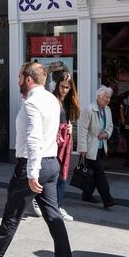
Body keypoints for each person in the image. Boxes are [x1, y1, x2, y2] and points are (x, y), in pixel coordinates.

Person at [0, 62, 74, 257]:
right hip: (51, 164)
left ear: (29, 79)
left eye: (19, 76)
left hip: (33, 165)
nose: (17, 80)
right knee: (54, 218)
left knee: (12, 215)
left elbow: (34, 139)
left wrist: (32, 173)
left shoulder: (32, 104)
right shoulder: (51, 100)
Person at [77, 86, 117, 208]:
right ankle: (107, 199)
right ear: (98, 96)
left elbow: (110, 126)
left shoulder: (108, 110)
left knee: (93, 174)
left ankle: (86, 195)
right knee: (100, 173)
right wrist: (82, 148)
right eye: (106, 97)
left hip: (101, 147)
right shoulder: (89, 109)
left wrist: (106, 134)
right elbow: (82, 130)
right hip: (90, 147)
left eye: (109, 98)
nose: (108, 100)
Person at [52, 70, 80, 222]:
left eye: (67, 87)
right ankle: (44, 201)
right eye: (62, 86)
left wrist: (69, 126)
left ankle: (58, 205)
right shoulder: (52, 99)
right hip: (53, 142)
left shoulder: (69, 101)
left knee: (63, 174)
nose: (64, 90)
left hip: (65, 141)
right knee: (52, 173)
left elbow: (69, 119)